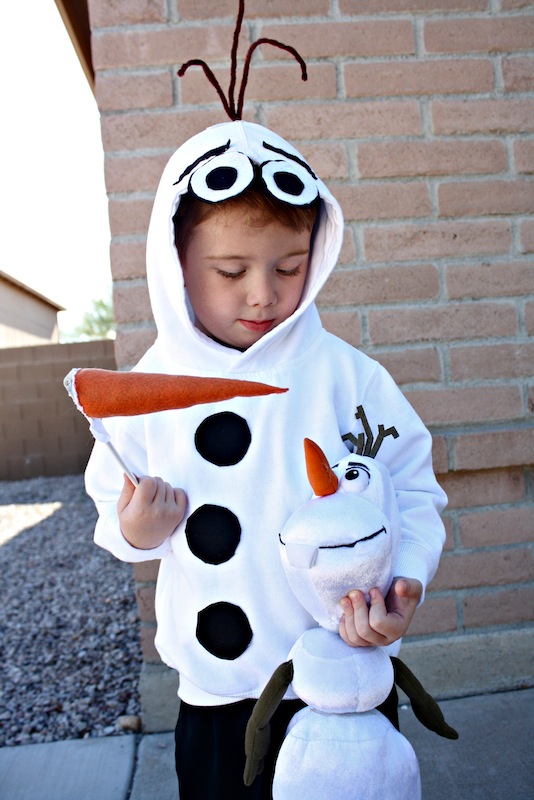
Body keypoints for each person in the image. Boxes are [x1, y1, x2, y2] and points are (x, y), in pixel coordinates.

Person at [85, 120, 447, 799]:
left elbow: (412, 487)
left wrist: (405, 581)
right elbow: (109, 497)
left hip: (342, 681)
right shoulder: (150, 387)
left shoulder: (347, 377)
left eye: (289, 266)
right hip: (220, 696)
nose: (264, 293)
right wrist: (136, 528)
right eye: (231, 271)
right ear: (175, 263)